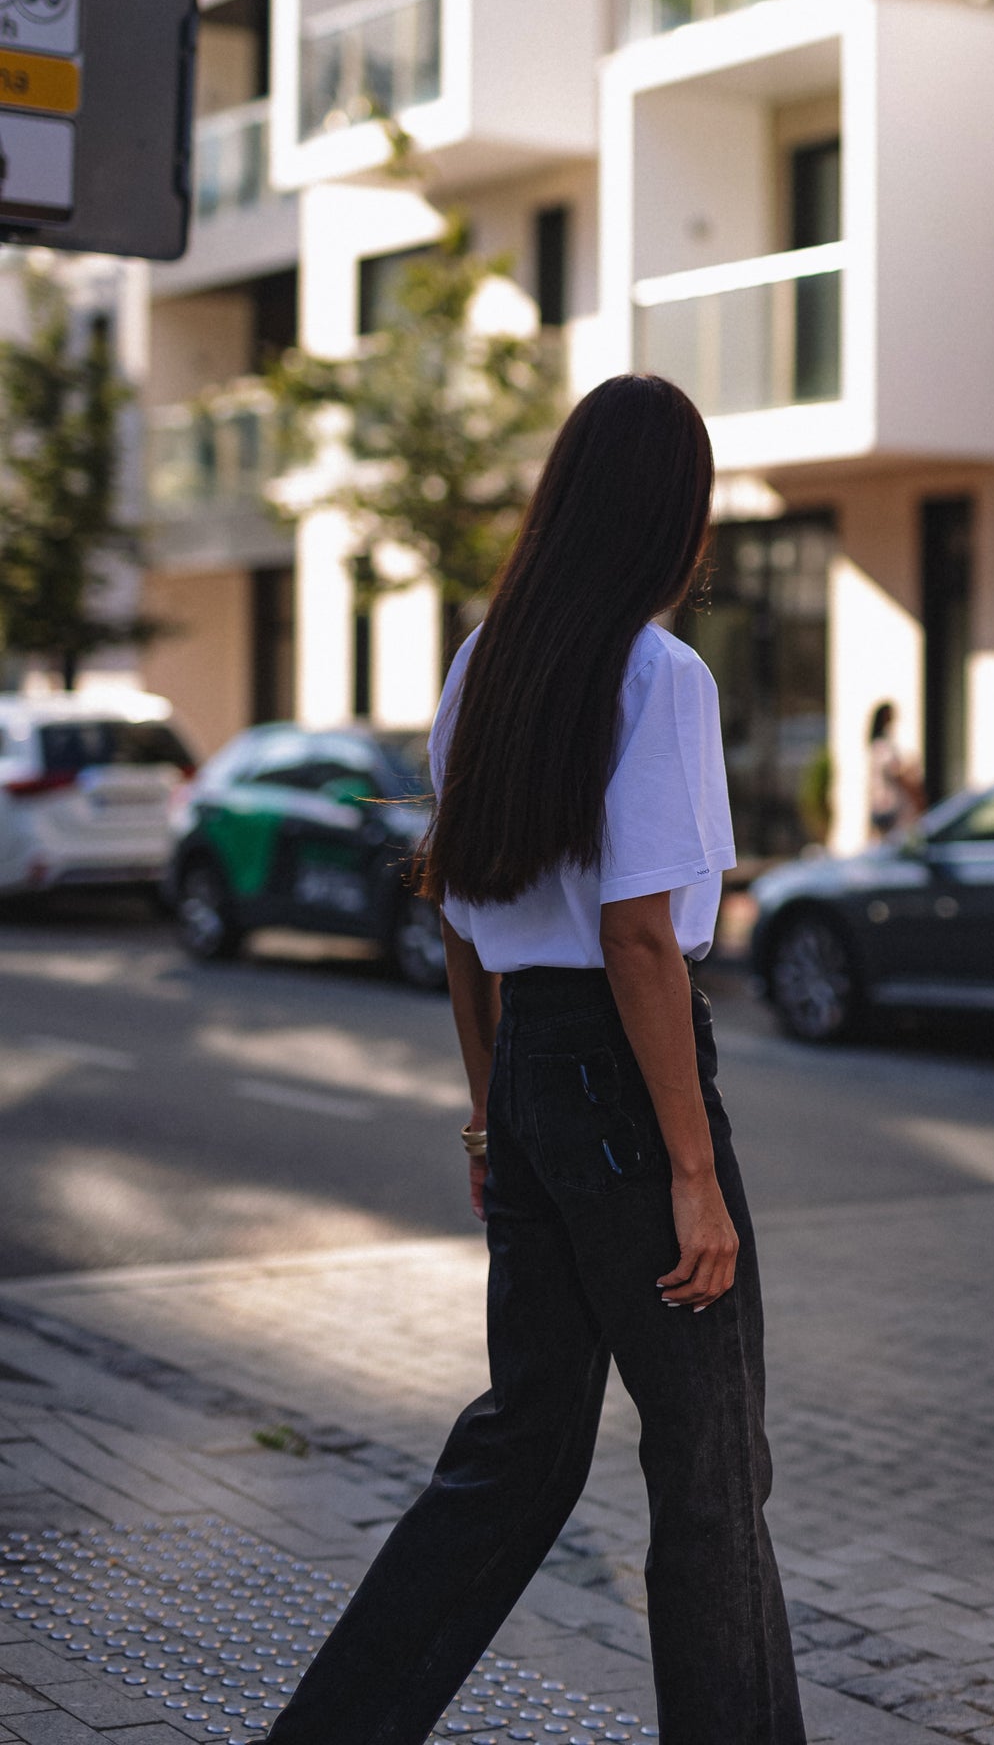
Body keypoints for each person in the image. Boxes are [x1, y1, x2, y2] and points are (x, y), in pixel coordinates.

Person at [263, 375, 805, 1745]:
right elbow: (640, 943)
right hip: (627, 1077)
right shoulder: (659, 677)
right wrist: (693, 1173)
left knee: (522, 1453)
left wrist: (489, 1120)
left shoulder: (485, 662)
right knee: (708, 1467)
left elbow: (455, 908)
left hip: (528, 1068)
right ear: (671, 519)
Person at [867, 700, 921, 836]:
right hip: (888, 804)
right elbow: (895, 771)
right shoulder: (881, 746)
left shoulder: (884, 743)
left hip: (886, 803)